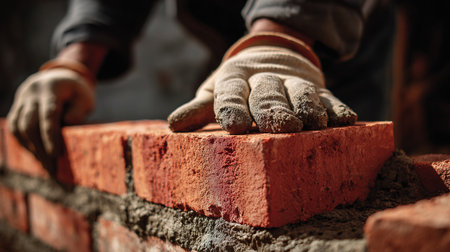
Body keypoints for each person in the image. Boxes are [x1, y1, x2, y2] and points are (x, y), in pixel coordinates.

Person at [6, 0, 394, 173]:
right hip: (233, 41)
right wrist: (75, 60)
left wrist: (284, 36)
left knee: (338, 169)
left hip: (332, 39)